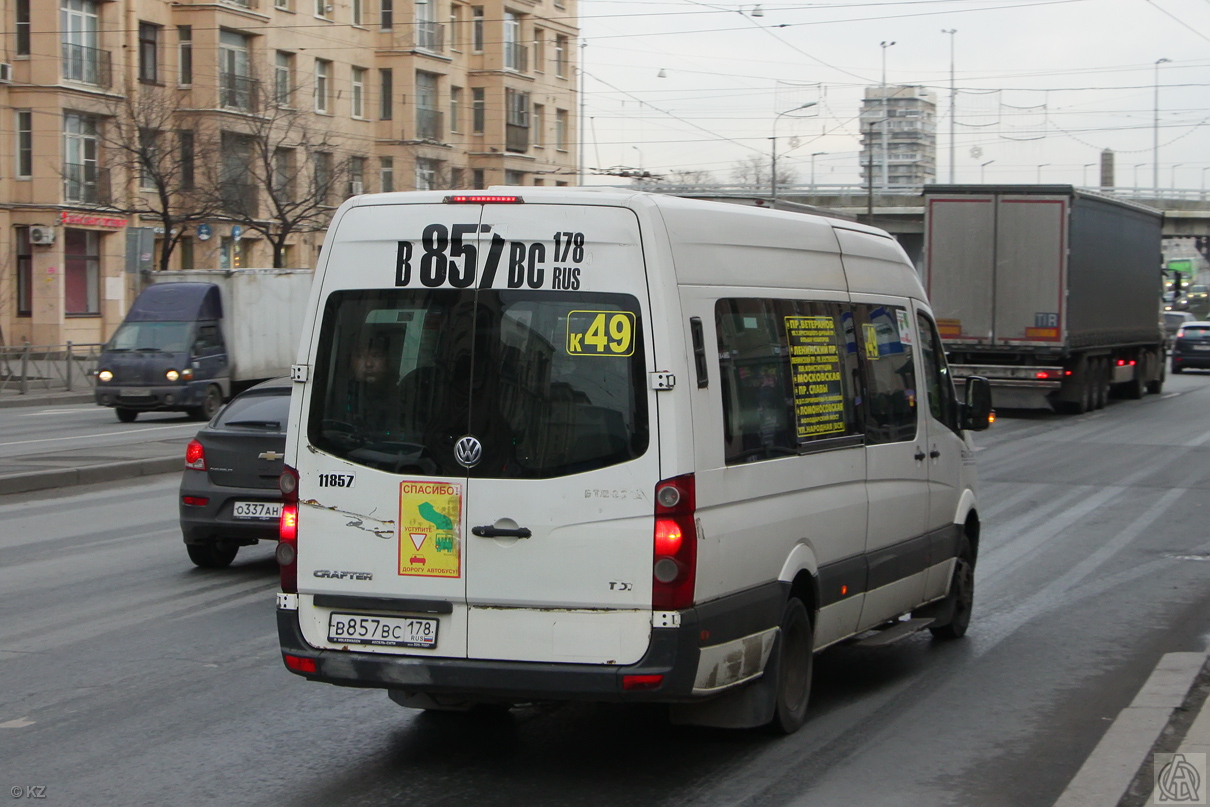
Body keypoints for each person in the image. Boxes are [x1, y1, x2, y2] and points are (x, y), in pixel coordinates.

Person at [346, 336, 399, 434]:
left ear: (388, 361)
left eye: (376, 356)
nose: (368, 363)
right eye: (361, 356)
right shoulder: (340, 394)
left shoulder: (403, 397)